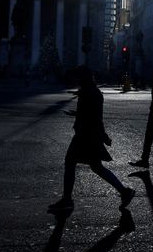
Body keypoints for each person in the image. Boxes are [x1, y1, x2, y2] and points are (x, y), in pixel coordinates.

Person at [48, 65, 135, 213]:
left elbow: (93, 117)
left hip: (85, 135)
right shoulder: (93, 92)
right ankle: (124, 191)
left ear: (82, 78)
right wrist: (78, 114)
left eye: (77, 77)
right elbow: (93, 115)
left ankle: (67, 199)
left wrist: (102, 135)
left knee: (71, 162)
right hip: (90, 134)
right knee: (96, 166)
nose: (74, 80)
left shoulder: (87, 93)